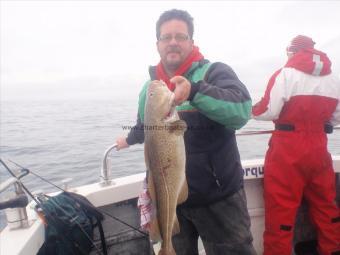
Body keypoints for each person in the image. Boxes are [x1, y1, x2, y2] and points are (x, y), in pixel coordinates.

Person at [115, 9, 256, 255]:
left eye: (180, 36)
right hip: (168, 197)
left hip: (220, 199)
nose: (172, 42)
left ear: (192, 42)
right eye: (166, 37)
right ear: (157, 44)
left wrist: (194, 92)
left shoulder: (215, 72)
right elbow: (145, 126)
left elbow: (241, 111)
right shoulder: (150, 88)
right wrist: (127, 139)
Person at [252, 35, 340, 255]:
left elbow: (267, 111)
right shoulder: (334, 79)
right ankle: (332, 249)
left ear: (292, 51)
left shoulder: (285, 74)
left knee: (281, 211)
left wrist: (250, 109)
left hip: (288, 150)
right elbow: (337, 117)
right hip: (319, 148)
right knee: (325, 205)